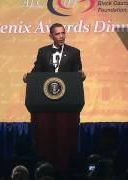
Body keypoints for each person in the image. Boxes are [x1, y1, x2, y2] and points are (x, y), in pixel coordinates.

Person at [23, 23, 85, 171]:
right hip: (45, 104)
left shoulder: (74, 52)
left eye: (63, 33)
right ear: (51, 36)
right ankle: (44, 164)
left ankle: (66, 167)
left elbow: (77, 73)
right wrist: (29, 77)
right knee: (45, 137)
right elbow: (37, 71)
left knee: (65, 138)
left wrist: (81, 75)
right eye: (57, 34)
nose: (61, 36)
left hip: (66, 103)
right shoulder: (43, 52)